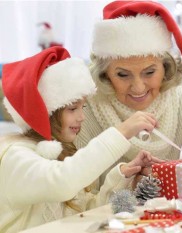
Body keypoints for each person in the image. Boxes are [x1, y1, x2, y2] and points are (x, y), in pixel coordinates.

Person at [75, 0, 182, 187]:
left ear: (165, 67)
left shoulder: (180, 95)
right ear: (104, 73)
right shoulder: (84, 106)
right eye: (123, 75)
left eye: (149, 72)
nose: (138, 87)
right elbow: (78, 194)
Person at [0, 46, 162, 232]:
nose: (81, 117)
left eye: (82, 108)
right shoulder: (13, 156)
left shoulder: (62, 152)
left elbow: (86, 212)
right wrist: (121, 132)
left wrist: (123, 175)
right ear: (46, 112)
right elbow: (61, 182)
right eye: (72, 109)